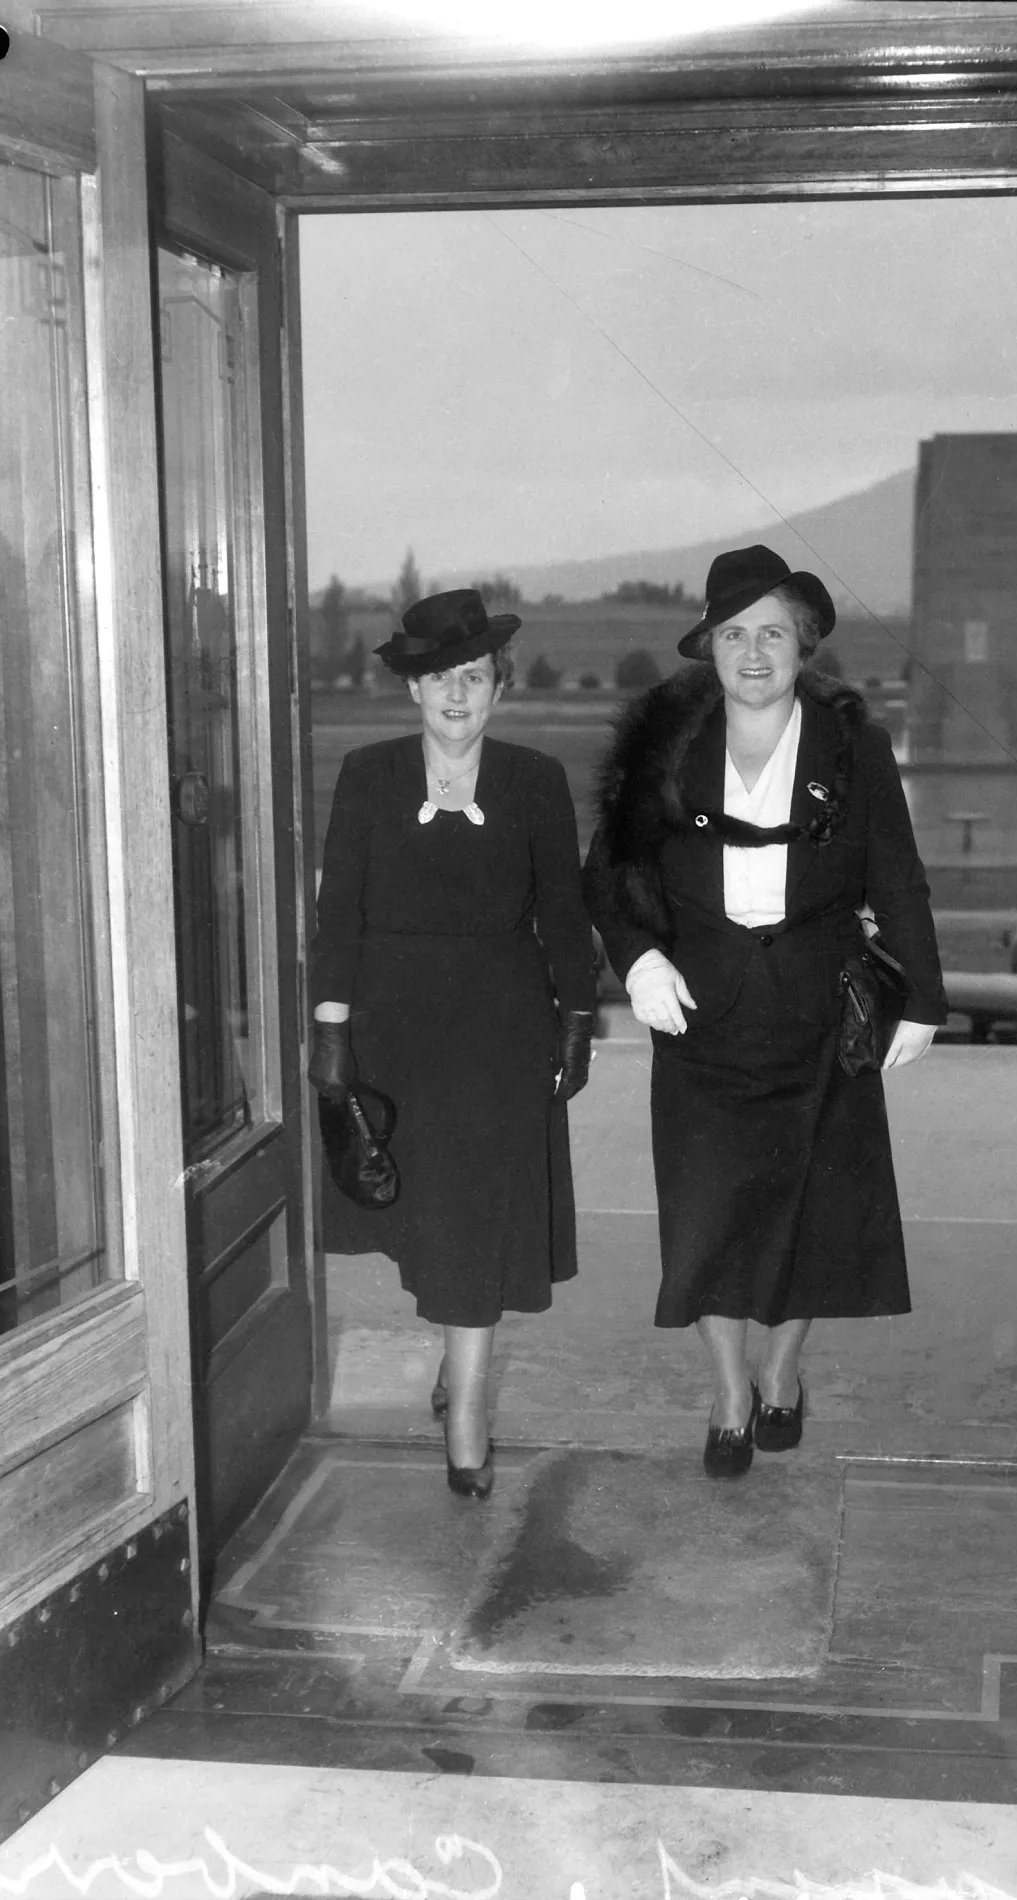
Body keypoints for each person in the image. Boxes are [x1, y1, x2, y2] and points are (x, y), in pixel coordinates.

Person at [583, 545, 946, 1477]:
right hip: (699, 1013)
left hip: (822, 1012)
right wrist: (639, 961)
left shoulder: (853, 746)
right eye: (734, 634)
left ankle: (781, 1369)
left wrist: (922, 998)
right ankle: (729, 1392)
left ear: (804, 645)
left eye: (773, 634)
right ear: (708, 646)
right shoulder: (664, 746)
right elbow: (609, 875)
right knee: (709, 1216)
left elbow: (896, 874)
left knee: (811, 1211)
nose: (753, 653)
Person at [309, 589, 596, 1497]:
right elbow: (336, 914)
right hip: (392, 1032)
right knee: (427, 1213)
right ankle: (455, 1355)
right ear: (413, 690)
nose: (457, 695)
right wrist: (330, 1033)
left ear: (500, 687)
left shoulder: (535, 779)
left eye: (473, 677)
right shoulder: (366, 774)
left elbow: (564, 912)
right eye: (440, 679)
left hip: (501, 1031)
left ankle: (467, 1410)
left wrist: (577, 1020)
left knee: (475, 1215)